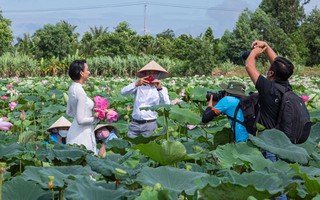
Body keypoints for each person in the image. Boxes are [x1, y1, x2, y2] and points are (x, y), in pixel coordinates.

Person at [245, 40, 294, 200]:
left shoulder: (268, 88)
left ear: (271, 74)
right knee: (279, 179)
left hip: (270, 143)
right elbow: (279, 65)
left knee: (275, 185)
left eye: (270, 70)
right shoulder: (286, 87)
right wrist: (266, 46)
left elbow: (249, 66)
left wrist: (255, 52)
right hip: (285, 141)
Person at [121, 60, 170, 138]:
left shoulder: (162, 89)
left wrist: (159, 89)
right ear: (145, 74)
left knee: (147, 148)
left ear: (158, 75)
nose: (152, 75)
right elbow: (123, 92)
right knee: (131, 147)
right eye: (149, 73)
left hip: (150, 124)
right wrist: (136, 84)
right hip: (134, 123)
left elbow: (167, 105)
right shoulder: (139, 86)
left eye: (154, 73)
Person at [66, 59, 97, 154]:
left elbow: (69, 112)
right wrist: (96, 118)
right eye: (87, 70)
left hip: (73, 132)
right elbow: (80, 120)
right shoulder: (80, 92)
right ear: (81, 73)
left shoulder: (72, 88)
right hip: (82, 136)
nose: (89, 72)